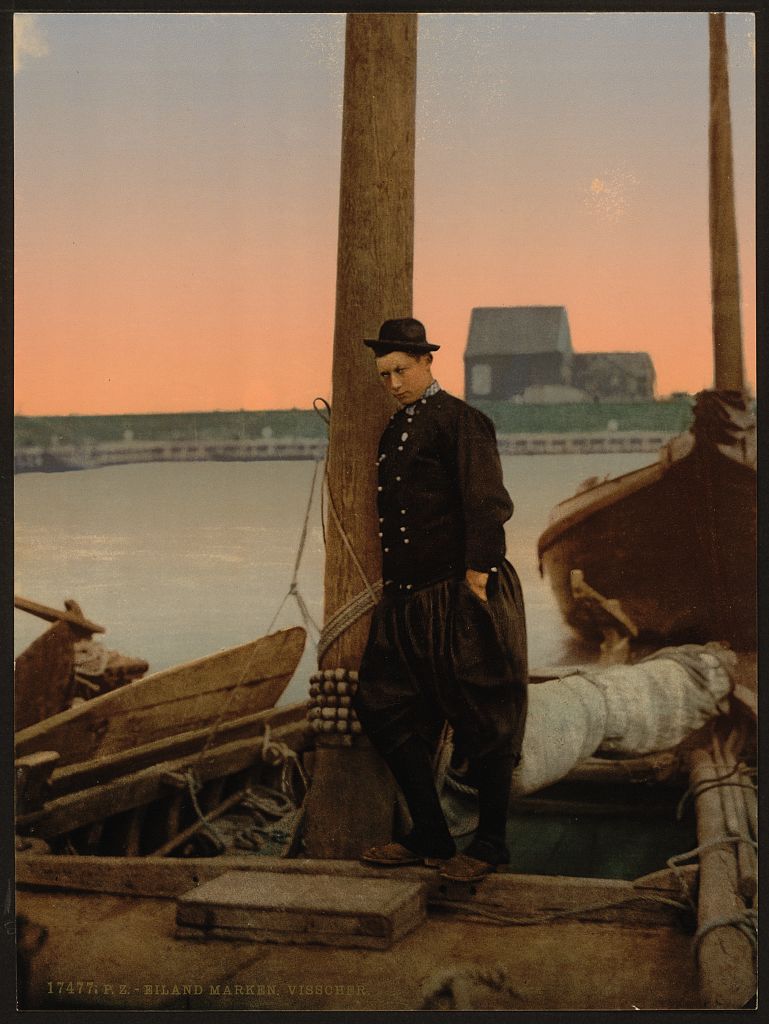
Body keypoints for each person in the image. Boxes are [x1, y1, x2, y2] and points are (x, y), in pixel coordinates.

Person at [353, 317, 528, 882]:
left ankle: (492, 843)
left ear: (428, 362)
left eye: (401, 370)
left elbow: (487, 500)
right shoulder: (395, 429)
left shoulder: (462, 421)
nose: (394, 382)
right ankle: (430, 831)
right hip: (404, 601)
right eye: (385, 375)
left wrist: (479, 575)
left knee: (484, 715)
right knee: (379, 705)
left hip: (456, 593)